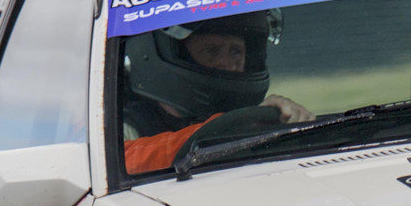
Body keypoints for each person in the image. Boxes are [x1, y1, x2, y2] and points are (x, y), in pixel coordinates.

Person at [120, 12, 313, 175]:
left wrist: (291, 125)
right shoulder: (123, 128)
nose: (228, 65)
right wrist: (229, 131)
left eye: (236, 52)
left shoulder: (257, 118)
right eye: (211, 51)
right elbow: (125, 161)